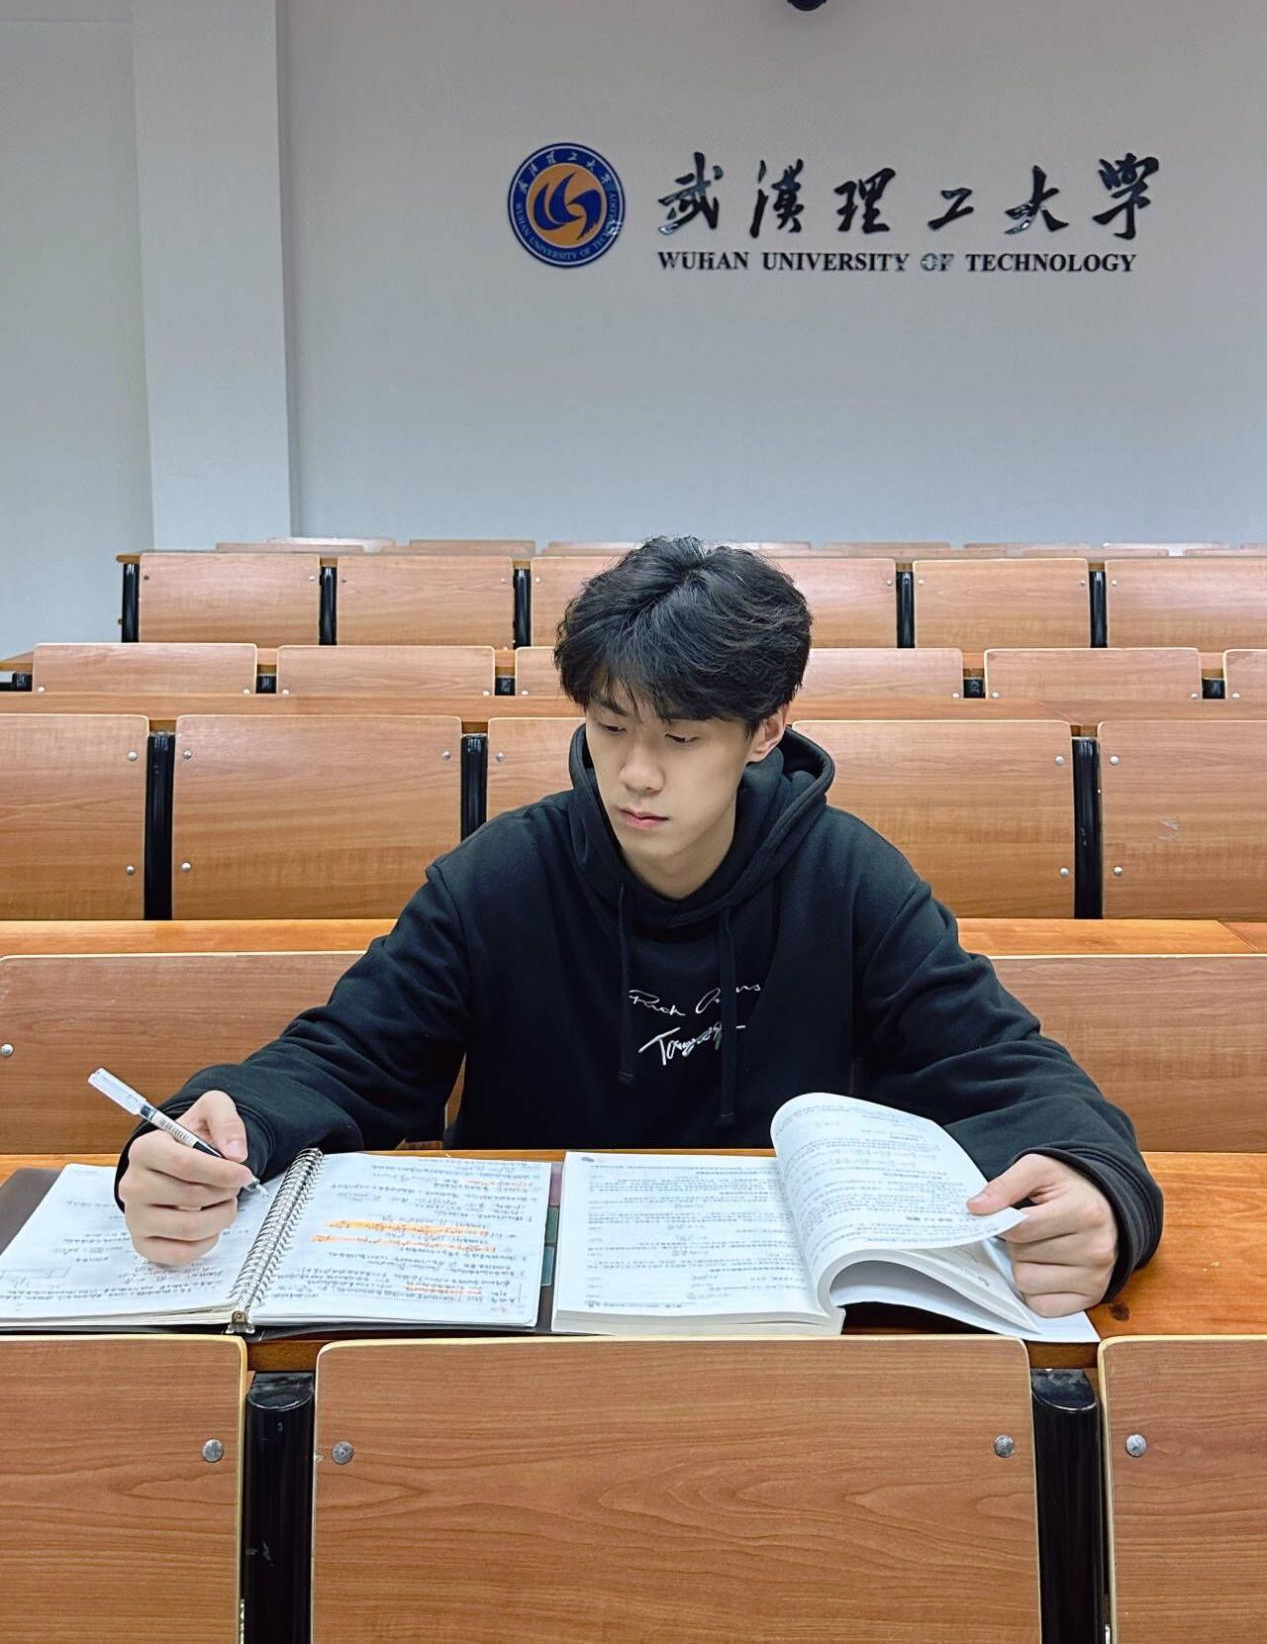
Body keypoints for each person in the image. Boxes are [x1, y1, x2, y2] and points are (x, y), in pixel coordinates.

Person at [117, 537, 1161, 1314]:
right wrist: (229, 1126)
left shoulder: (847, 879)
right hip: (527, 1306)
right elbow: (348, 1056)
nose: (636, 774)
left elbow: (1001, 1068)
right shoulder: (501, 877)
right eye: (610, 727)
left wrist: (1096, 1188)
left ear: (766, 729)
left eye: (681, 738)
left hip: (785, 1308)